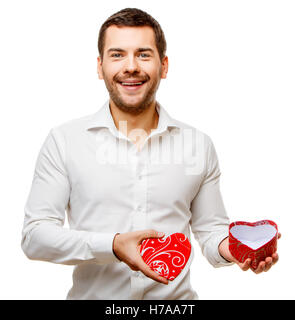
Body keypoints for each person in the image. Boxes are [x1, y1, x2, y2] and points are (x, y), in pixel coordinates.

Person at [21, 7, 280, 300]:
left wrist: (235, 248)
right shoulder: (64, 141)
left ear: (164, 66)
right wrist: (113, 245)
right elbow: (35, 237)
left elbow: (210, 230)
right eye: (117, 54)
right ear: (99, 66)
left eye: (143, 54)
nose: (131, 66)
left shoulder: (198, 145)